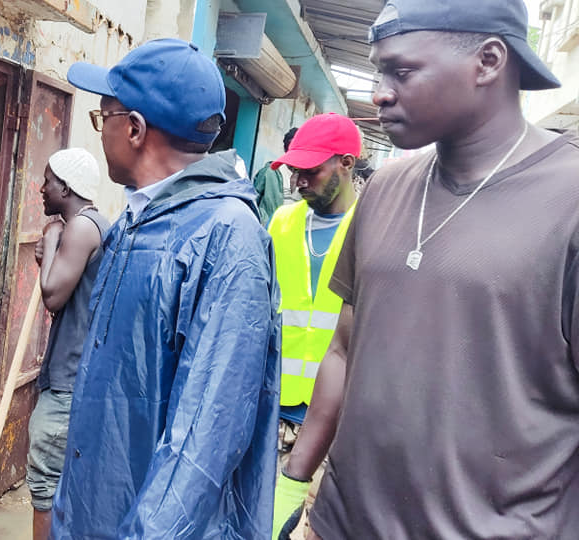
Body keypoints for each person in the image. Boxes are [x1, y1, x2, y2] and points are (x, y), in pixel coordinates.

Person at [277, 1, 579, 538]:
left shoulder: (568, 201)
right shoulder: (386, 189)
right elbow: (344, 349)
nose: (379, 92)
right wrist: (297, 485)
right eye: (376, 71)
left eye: (402, 70)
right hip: (339, 524)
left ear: (487, 61)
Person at [50, 38, 281, 539]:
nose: (101, 130)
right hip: (96, 507)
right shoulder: (137, 220)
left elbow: (206, 437)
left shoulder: (224, 236)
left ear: (133, 129)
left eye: (102, 116)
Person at [264, 113, 360, 539]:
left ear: (347, 163)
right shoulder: (282, 223)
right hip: (272, 409)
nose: (299, 180)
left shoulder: (373, 227)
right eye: (295, 170)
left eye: (311, 170)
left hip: (334, 424)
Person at [26, 148, 109, 540]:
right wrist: (50, 252)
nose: (42, 188)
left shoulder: (79, 227)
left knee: (44, 481)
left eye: (48, 181)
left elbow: (53, 295)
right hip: (78, 372)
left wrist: (53, 236)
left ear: (66, 187)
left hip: (70, 378)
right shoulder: (93, 225)